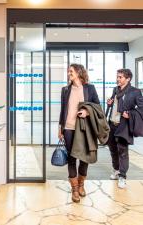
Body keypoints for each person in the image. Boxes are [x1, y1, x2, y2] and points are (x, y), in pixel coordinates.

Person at [58, 63, 100, 203]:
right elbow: (63, 110)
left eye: (71, 71)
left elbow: (97, 106)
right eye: (68, 71)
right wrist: (60, 128)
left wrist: (87, 112)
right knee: (71, 158)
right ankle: (75, 189)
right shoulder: (65, 90)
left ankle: (81, 184)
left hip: (84, 128)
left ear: (79, 72)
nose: (69, 73)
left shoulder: (90, 88)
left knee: (84, 157)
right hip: (69, 128)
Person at [106, 69, 143, 189]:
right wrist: (110, 103)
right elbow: (114, 103)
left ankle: (122, 176)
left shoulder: (135, 92)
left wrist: (130, 114)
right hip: (112, 123)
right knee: (112, 149)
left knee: (122, 151)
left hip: (124, 125)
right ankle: (116, 170)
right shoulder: (115, 89)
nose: (118, 79)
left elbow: (142, 108)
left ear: (128, 79)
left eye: (120, 77)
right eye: (117, 76)